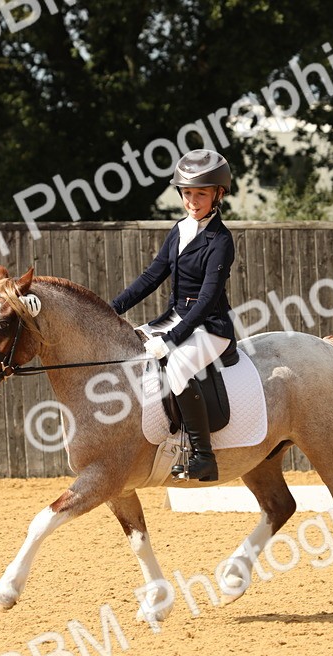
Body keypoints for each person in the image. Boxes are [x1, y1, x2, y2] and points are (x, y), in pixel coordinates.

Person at [110, 149, 238, 481]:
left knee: (179, 368)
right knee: (130, 346)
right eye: (187, 193)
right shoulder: (179, 229)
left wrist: (171, 339)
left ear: (218, 194)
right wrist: (111, 311)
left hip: (211, 326)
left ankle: (204, 455)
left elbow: (208, 299)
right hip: (177, 316)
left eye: (201, 194)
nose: (193, 201)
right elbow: (151, 277)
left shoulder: (220, 240)